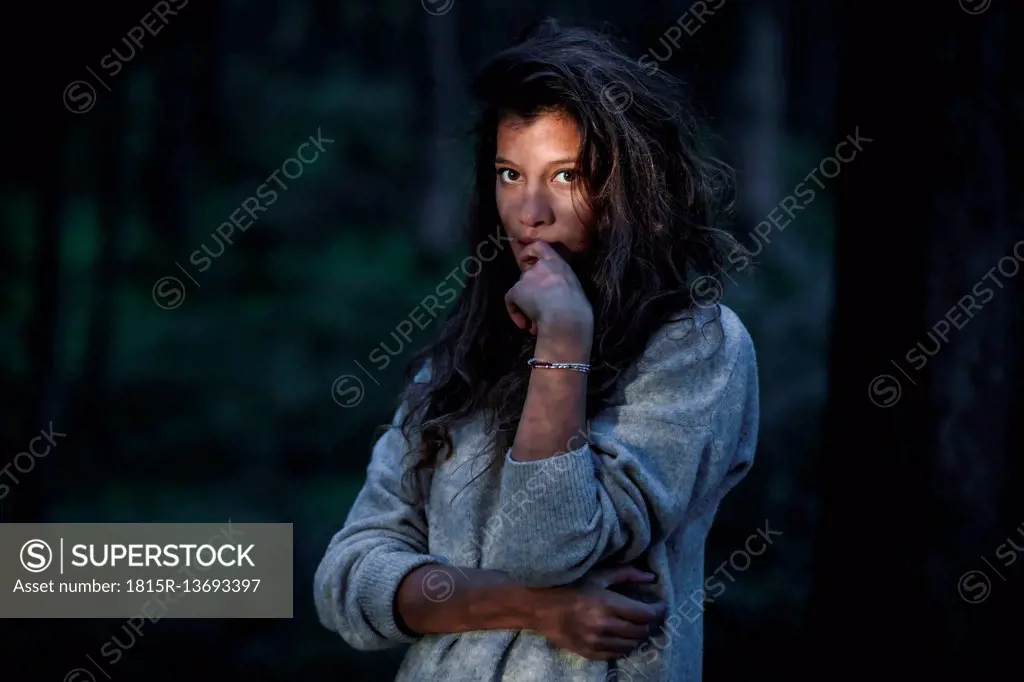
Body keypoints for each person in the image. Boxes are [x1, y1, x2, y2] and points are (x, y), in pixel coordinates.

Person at [314, 17, 759, 682]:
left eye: (566, 175)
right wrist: (533, 608)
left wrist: (563, 341)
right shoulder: (459, 359)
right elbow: (346, 579)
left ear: (628, 187)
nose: (530, 211)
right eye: (509, 173)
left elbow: (547, 548)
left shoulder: (697, 347)